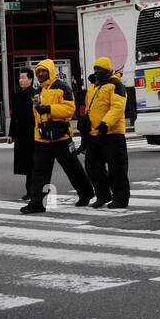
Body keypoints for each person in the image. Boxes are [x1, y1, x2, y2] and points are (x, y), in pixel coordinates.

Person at [20, 59, 93, 213]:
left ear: (50, 71)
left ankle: (86, 193)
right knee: (39, 171)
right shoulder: (37, 90)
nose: (40, 74)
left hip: (62, 137)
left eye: (43, 71)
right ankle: (36, 203)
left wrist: (48, 109)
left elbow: (69, 110)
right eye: (39, 72)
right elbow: (36, 115)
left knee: (72, 168)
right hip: (42, 138)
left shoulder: (63, 88)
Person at [81, 57, 130, 209]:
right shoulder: (93, 86)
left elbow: (117, 107)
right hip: (95, 134)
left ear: (107, 70)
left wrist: (105, 123)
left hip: (113, 133)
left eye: (99, 69)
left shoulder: (116, 84)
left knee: (117, 168)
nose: (96, 72)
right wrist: (86, 120)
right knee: (92, 167)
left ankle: (120, 198)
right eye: (95, 69)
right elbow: (89, 106)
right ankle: (103, 195)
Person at [8, 68, 37, 200]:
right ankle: (29, 190)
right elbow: (14, 115)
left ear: (30, 80)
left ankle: (33, 190)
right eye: (20, 78)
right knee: (25, 164)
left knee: (32, 163)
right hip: (20, 133)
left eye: (23, 78)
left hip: (32, 133)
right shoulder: (18, 94)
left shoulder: (35, 94)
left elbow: (38, 113)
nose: (21, 80)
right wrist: (11, 134)